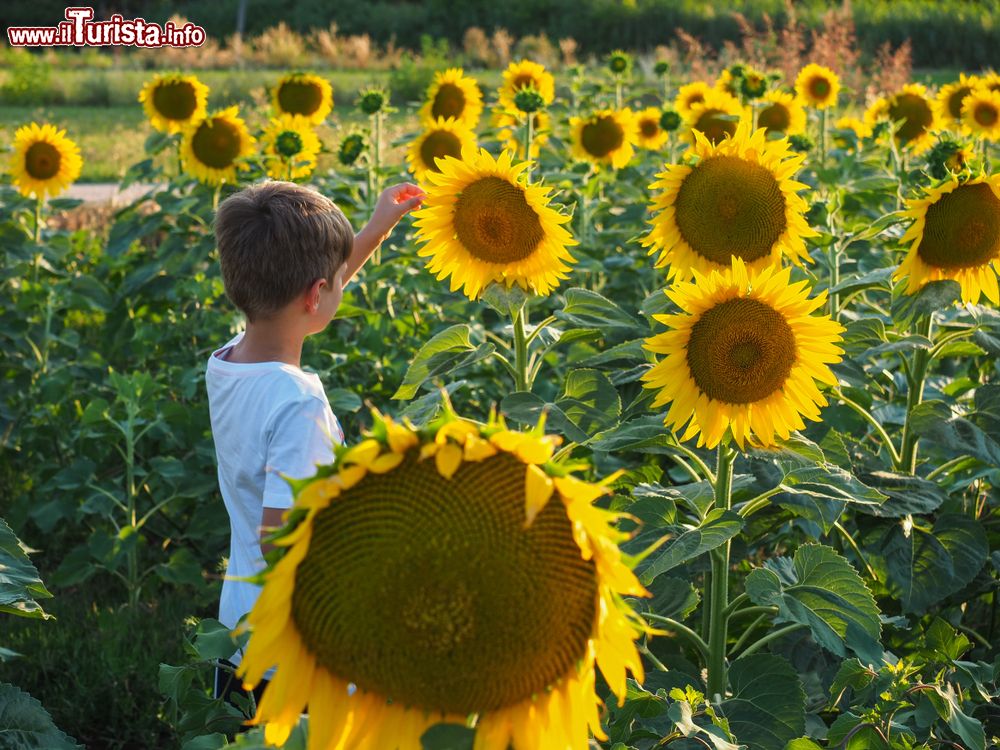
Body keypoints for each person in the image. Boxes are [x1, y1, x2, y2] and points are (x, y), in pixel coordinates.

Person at [205, 179, 425, 719]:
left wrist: (376, 228)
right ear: (315, 295)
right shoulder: (299, 404)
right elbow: (284, 540)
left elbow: (314, 283)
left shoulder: (228, 359)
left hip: (242, 634)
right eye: (335, 283)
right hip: (300, 660)